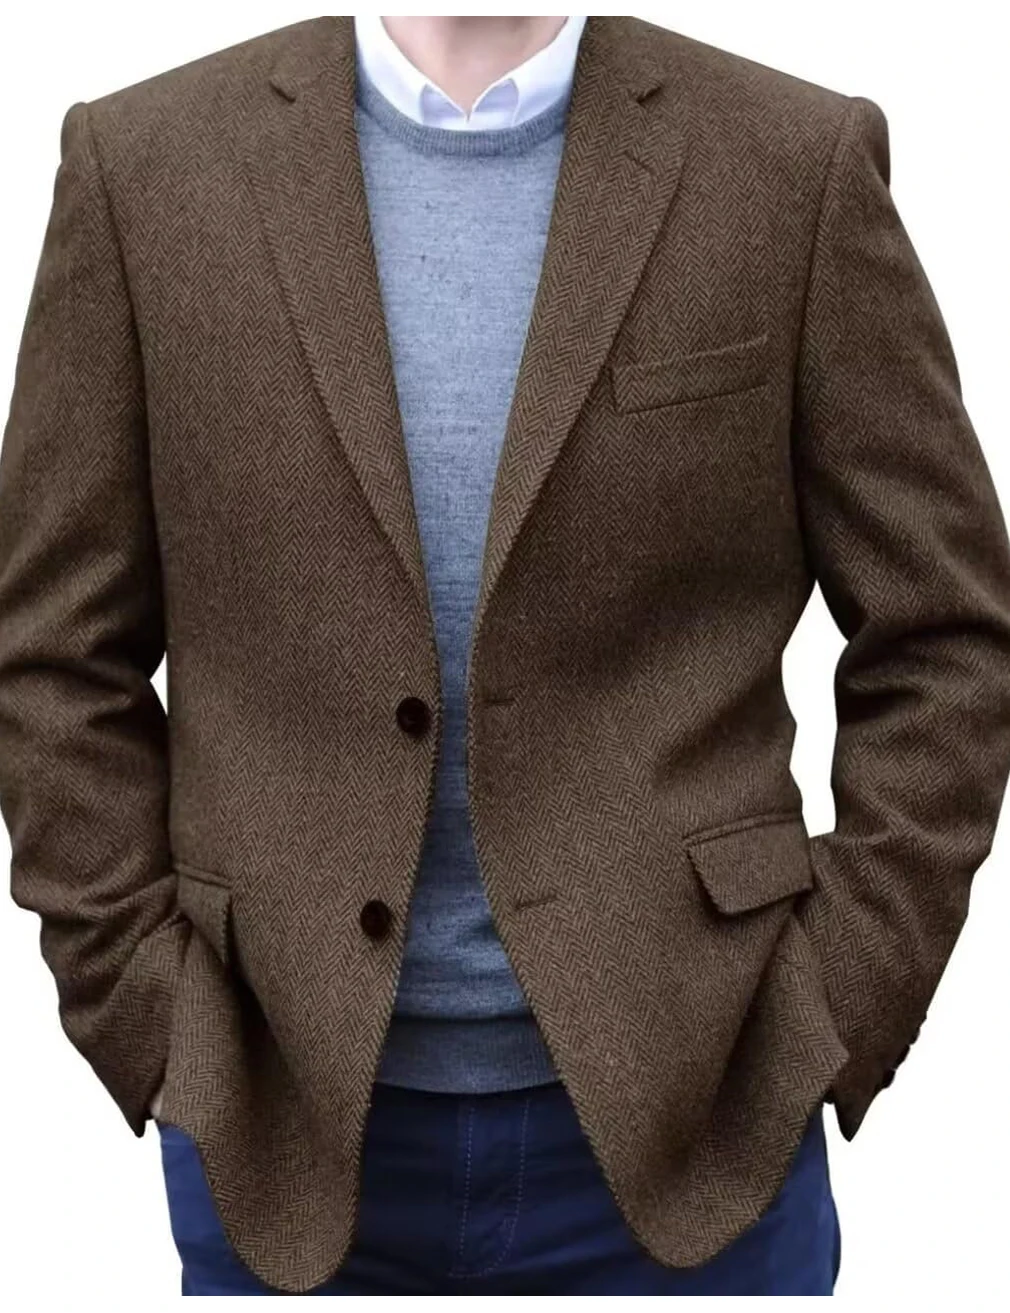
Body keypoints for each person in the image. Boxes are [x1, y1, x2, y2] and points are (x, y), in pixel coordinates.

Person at [2, 13, 1009, 1297]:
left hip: (706, 1119)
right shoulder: (144, 169)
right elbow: (54, 651)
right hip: (278, 1128)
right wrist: (149, 1016)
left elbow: (944, 629)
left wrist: (834, 1008)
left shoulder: (789, 163)